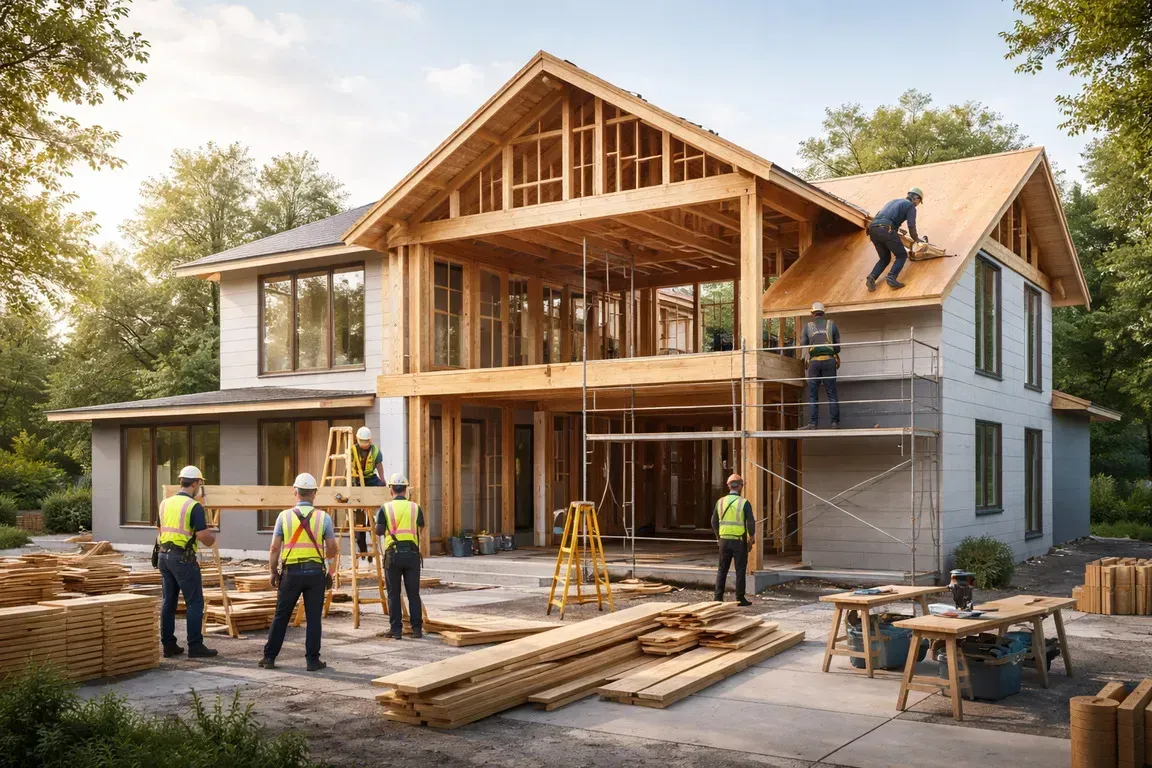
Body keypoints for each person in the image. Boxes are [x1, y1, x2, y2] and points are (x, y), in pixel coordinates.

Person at [260, 472, 338, 671]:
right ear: (314, 494)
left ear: (295, 492)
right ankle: (312, 661)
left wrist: (272, 572)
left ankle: (269, 658)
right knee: (313, 618)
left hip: (290, 574)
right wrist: (330, 572)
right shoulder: (324, 518)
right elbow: (332, 548)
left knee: (281, 616)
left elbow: (274, 548)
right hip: (315, 575)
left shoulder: (283, 517)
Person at [157, 466, 218, 658]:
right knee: (194, 602)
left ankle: (168, 645)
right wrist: (212, 538)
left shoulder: (165, 503)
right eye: (200, 483)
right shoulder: (194, 506)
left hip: (164, 556)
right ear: (196, 483)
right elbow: (203, 536)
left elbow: (159, 530)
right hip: (183, 558)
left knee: (168, 602)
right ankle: (195, 646)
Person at [376, 473, 425, 639]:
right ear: (406, 489)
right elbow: (421, 528)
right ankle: (417, 629)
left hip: (393, 555)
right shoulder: (415, 507)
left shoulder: (385, 508)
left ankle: (396, 630)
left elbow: (379, 531)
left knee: (393, 594)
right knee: (413, 593)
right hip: (412, 554)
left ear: (391, 489)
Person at [865, 187, 923, 291]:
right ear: (916, 198)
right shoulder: (910, 206)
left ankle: (871, 277)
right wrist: (916, 239)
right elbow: (911, 226)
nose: (918, 203)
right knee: (901, 255)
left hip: (873, 230)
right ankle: (891, 277)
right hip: (886, 229)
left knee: (885, 258)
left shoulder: (892, 202)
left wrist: (895, 229)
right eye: (919, 201)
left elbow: (881, 217)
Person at [712, 473, 756, 607]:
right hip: (739, 542)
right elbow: (750, 522)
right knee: (740, 570)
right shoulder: (744, 503)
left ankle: (718, 598)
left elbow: (714, 521)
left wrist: (718, 537)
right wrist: (752, 537)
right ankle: (740, 598)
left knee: (722, 569)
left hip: (724, 541)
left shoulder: (720, 502)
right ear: (741, 487)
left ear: (728, 486)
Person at [799, 302, 841, 430]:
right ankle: (834, 423)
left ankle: (812, 423)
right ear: (824, 312)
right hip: (829, 361)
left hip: (814, 363)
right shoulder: (832, 325)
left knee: (813, 394)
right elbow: (837, 348)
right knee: (832, 393)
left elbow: (803, 344)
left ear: (812, 313)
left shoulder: (808, 327)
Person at [351, 426, 385, 558]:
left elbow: (379, 466)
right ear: (358, 440)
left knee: (372, 518)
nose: (365, 444)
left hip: (370, 479)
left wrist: (382, 479)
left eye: (367, 442)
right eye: (362, 441)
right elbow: (347, 466)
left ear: (370, 440)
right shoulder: (353, 450)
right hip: (356, 480)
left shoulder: (375, 451)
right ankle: (363, 550)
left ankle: (374, 543)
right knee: (359, 521)